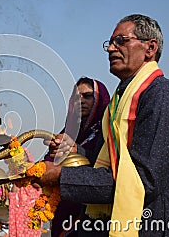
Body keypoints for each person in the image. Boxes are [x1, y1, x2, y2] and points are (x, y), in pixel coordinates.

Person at [37, 14, 169, 236]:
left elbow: (143, 180)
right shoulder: (119, 102)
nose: (111, 49)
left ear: (150, 48)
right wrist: (77, 151)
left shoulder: (161, 95)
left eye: (121, 41)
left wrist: (60, 176)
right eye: (110, 43)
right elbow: (112, 163)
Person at [43, 77, 110, 236]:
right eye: (76, 97)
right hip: (64, 203)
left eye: (87, 96)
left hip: (93, 209)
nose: (81, 100)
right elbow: (52, 161)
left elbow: (110, 166)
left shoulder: (107, 130)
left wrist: (78, 151)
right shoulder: (70, 129)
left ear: (100, 100)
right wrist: (54, 152)